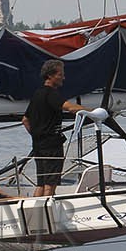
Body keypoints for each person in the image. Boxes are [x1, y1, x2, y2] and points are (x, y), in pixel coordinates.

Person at [23, 59, 87, 196]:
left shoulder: (37, 93)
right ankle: (48, 213)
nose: (63, 77)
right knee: (50, 185)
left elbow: (25, 120)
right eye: (60, 74)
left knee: (41, 183)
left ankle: (36, 211)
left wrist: (37, 134)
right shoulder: (51, 94)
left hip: (38, 144)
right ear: (50, 75)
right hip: (52, 145)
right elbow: (70, 107)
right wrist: (93, 112)